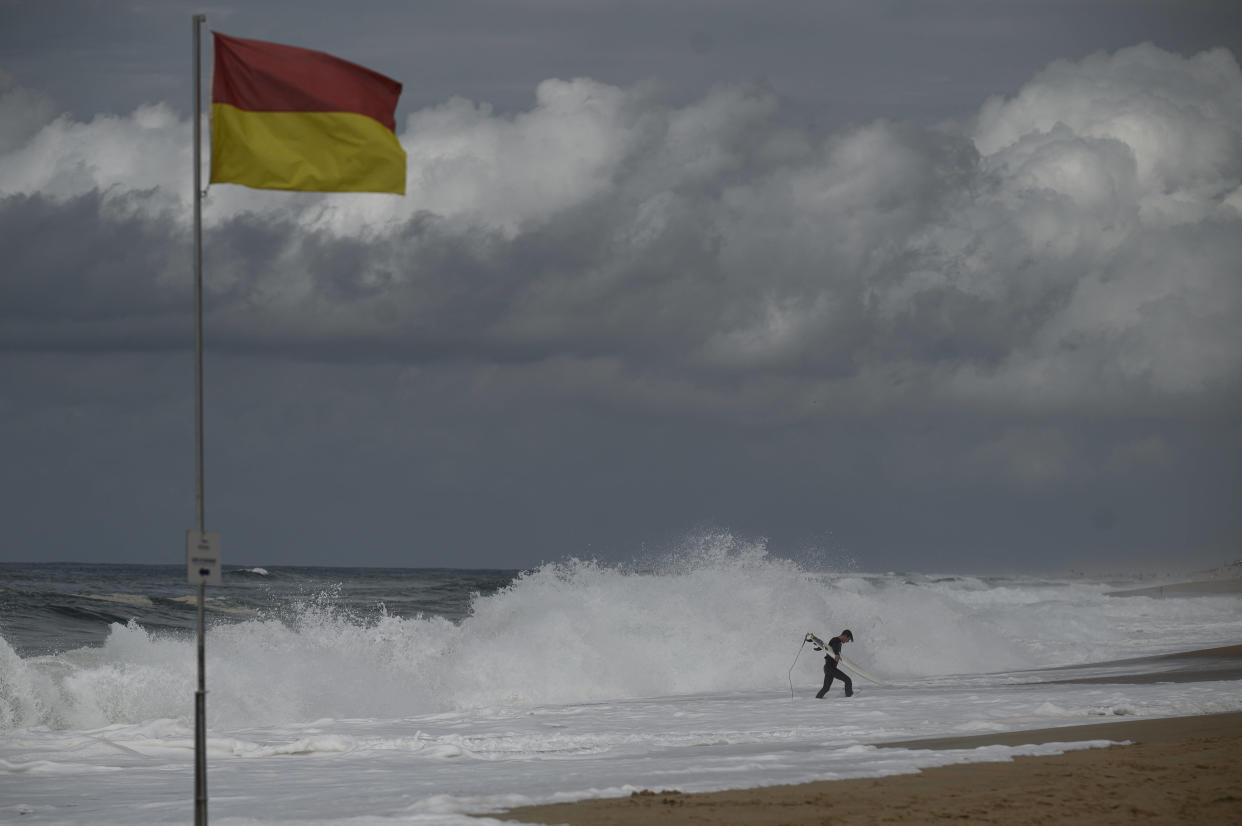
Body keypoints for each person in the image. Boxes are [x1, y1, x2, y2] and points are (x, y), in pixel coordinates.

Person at [815, 629, 854, 698]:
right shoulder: (836, 640)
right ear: (845, 636)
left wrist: (838, 655)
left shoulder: (836, 641)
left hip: (828, 668)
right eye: (848, 639)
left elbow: (833, 648)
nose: (847, 641)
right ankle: (850, 697)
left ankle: (817, 698)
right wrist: (837, 654)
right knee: (848, 680)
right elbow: (835, 647)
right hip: (831, 668)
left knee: (826, 688)